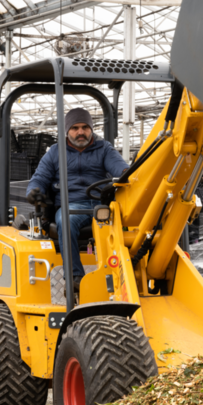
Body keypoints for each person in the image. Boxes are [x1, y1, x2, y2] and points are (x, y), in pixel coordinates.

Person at [26, 107, 128, 292]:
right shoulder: (55, 153)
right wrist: (33, 190)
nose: (80, 132)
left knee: (129, 222)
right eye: (75, 128)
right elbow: (40, 178)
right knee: (67, 219)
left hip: (100, 205)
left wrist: (127, 173)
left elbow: (120, 168)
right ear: (67, 130)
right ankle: (75, 277)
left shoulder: (104, 148)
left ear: (91, 128)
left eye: (85, 127)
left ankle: (126, 276)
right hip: (70, 206)